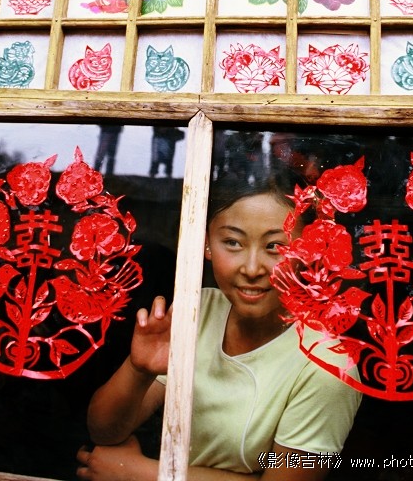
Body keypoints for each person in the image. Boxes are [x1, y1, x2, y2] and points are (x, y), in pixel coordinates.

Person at [76, 173, 361, 481]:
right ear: (207, 244)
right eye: (233, 242)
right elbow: (103, 431)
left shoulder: (327, 365)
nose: (251, 268)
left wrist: (144, 474)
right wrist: (138, 370)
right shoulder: (199, 310)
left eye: (275, 246)